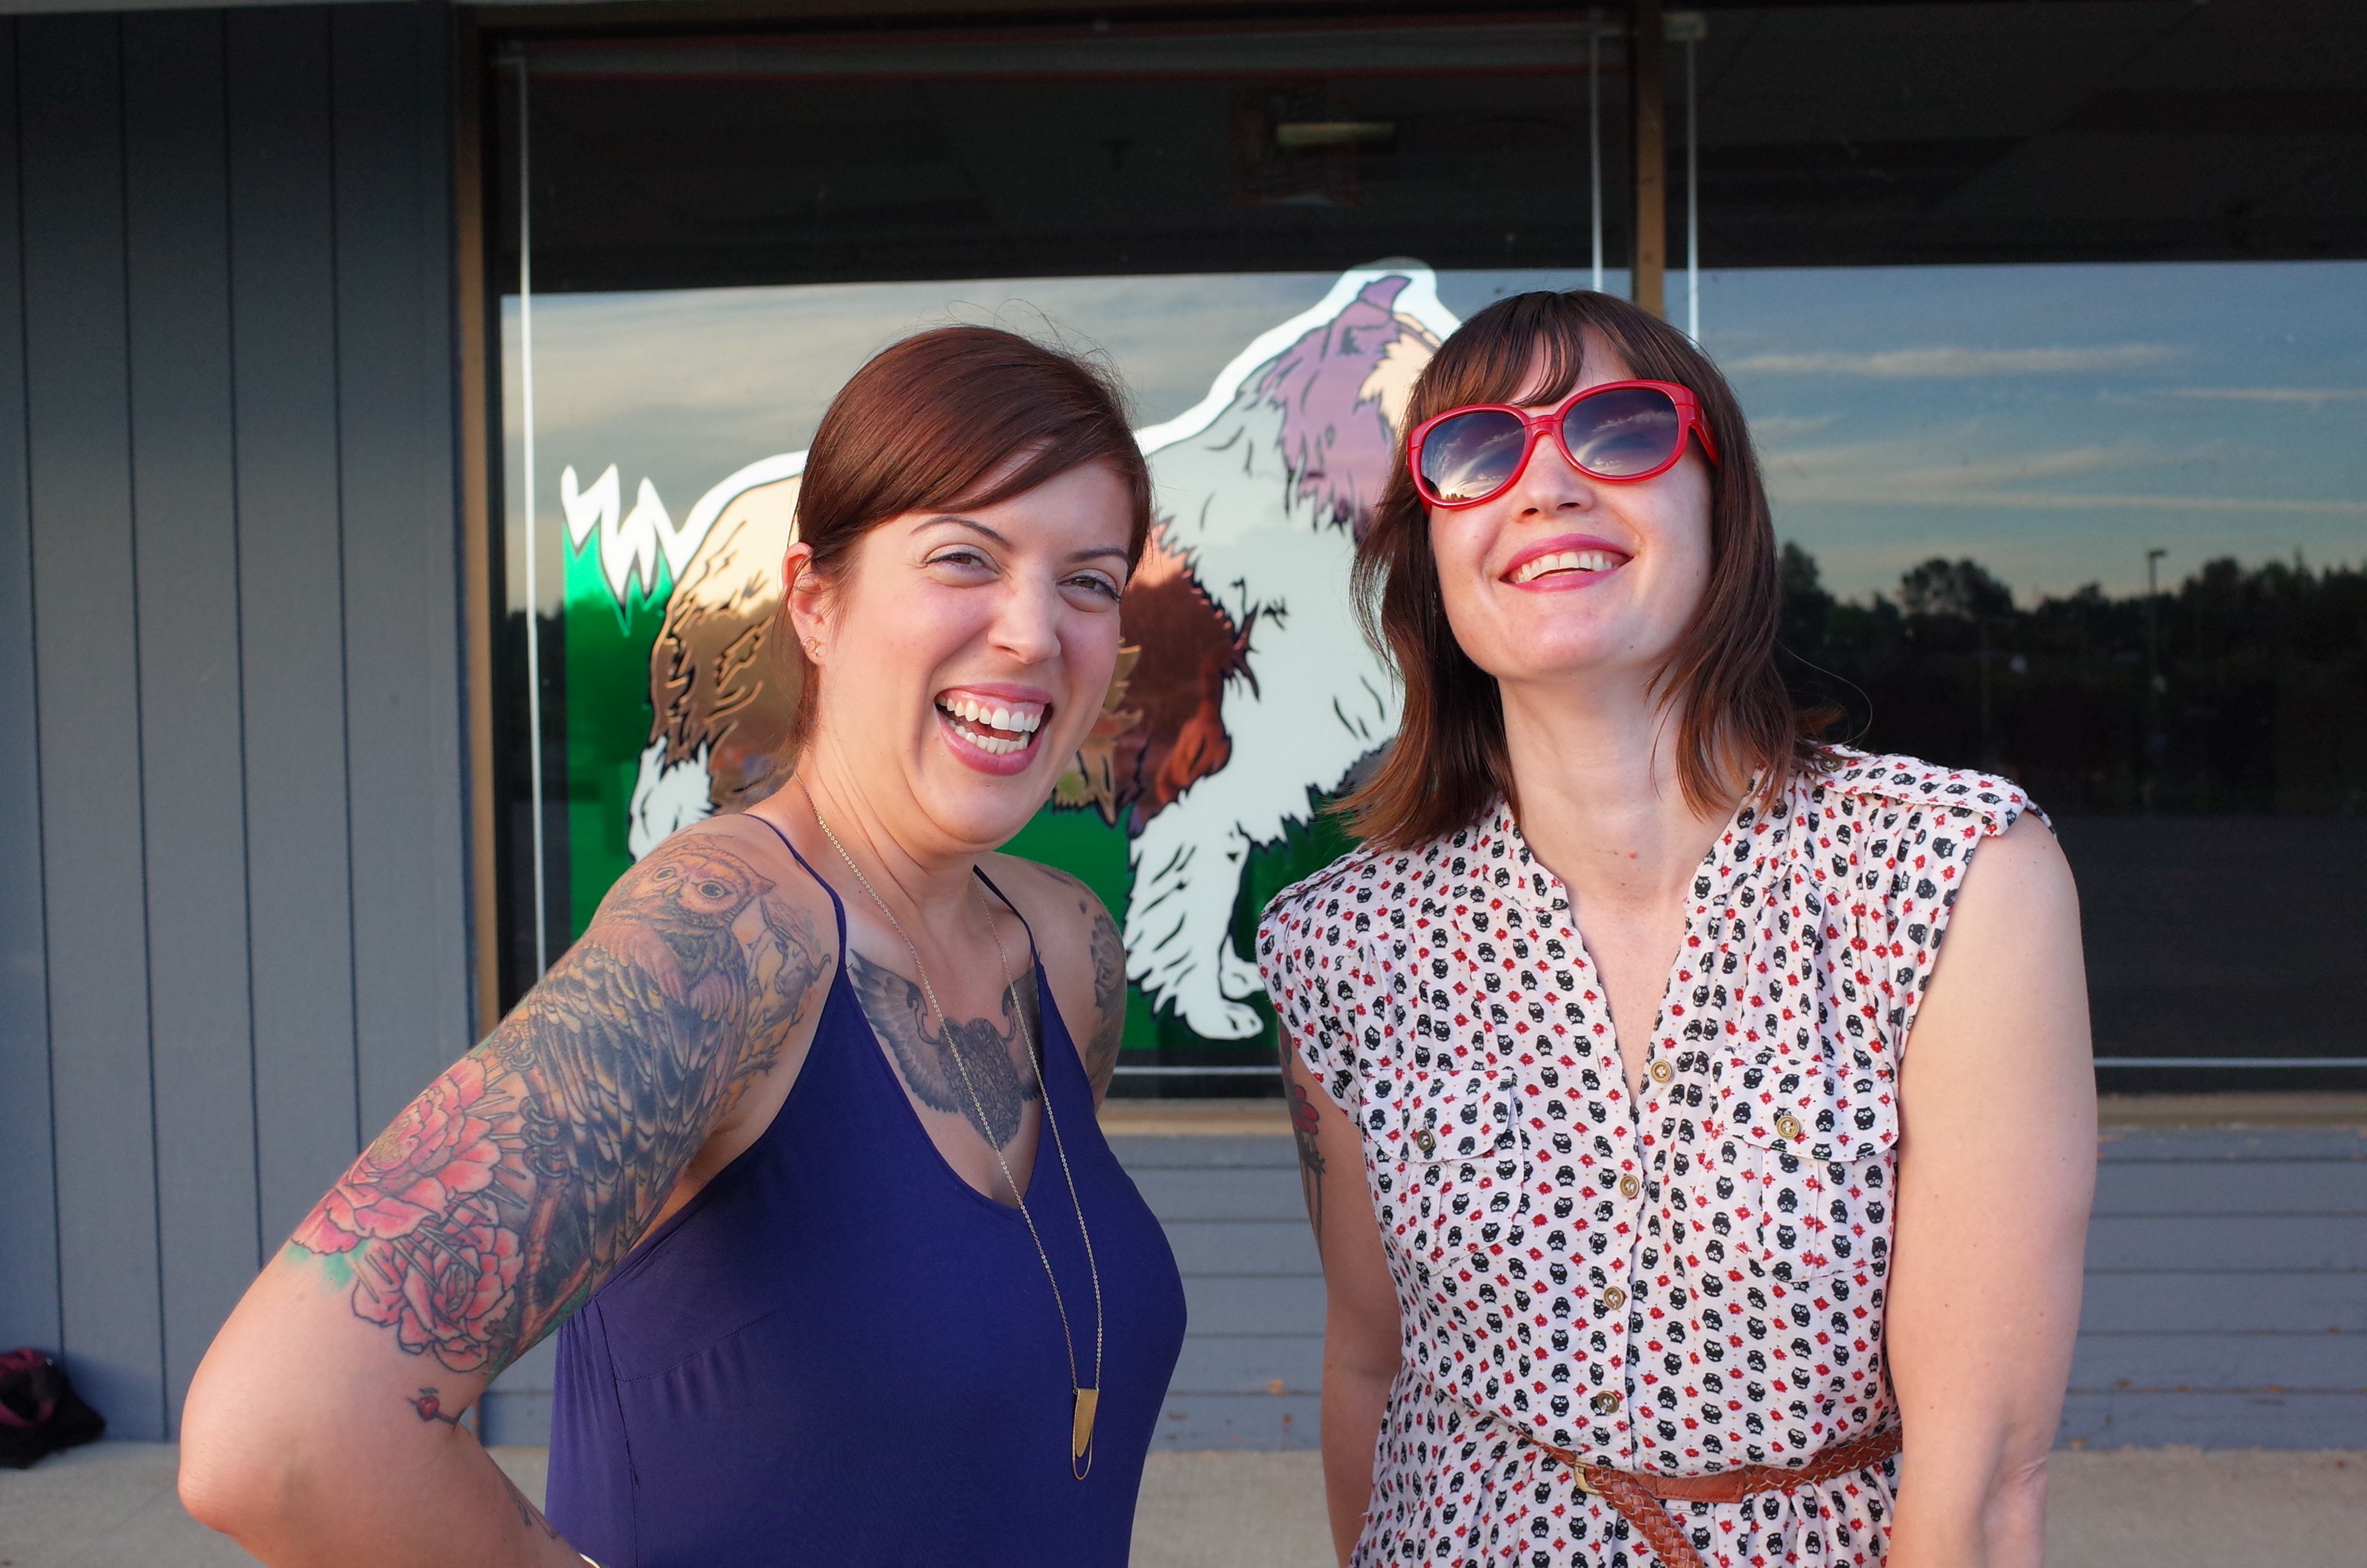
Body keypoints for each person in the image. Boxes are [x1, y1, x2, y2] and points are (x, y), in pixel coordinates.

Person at [180, 326, 1188, 1567]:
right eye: (964, 557)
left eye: (1087, 578)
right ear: (817, 603)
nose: (1034, 631)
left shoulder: (1063, 943)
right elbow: (284, 1432)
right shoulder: (725, 937)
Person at [1257, 290, 2093, 1568]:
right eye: (1477, 453)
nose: (1547, 485)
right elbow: (1371, 1366)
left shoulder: (1953, 874)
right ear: (1427, 554)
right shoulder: (1341, 942)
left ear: (1722, 503)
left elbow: (1980, 1484)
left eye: (1621, 429)